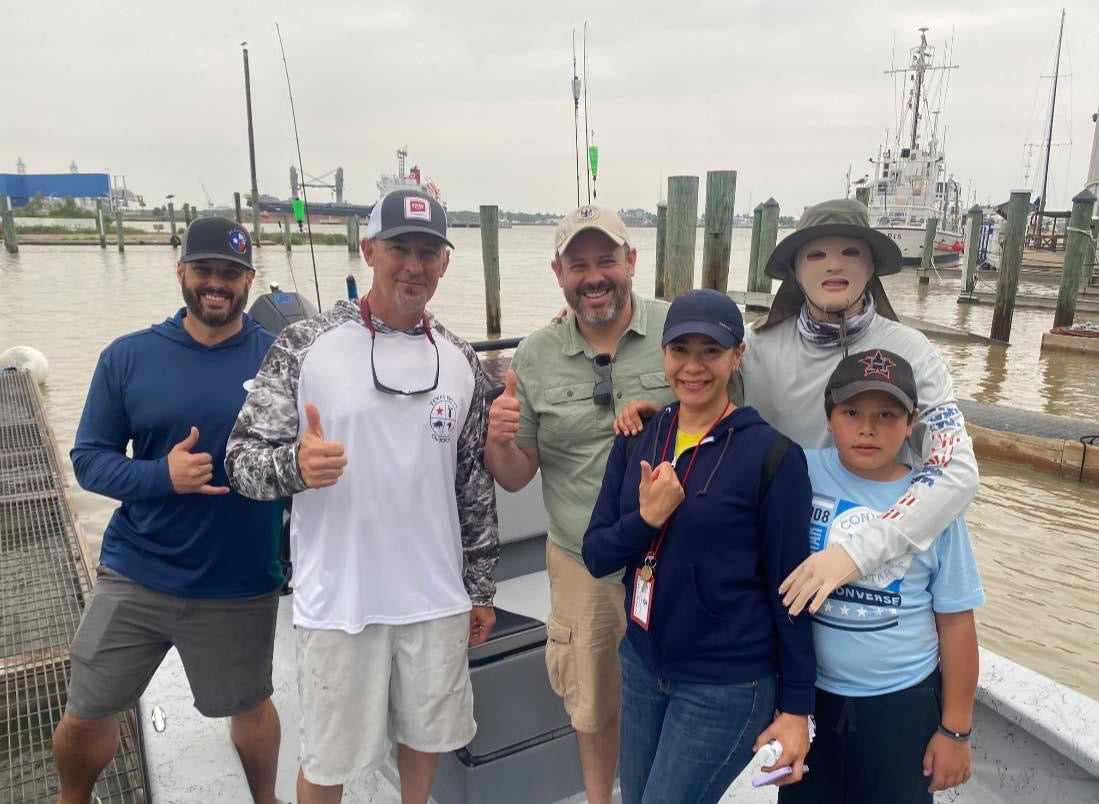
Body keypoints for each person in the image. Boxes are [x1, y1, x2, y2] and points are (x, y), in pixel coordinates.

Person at [224, 189, 499, 804]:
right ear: (368, 249)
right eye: (399, 248)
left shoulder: (458, 359)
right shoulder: (303, 345)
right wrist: (294, 466)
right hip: (340, 601)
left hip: (436, 599)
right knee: (328, 762)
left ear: (446, 263)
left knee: (428, 740)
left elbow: (473, 484)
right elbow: (240, 462)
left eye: (429, 252)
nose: (414, 265)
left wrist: (480, 586)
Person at [617, 199, 979, 616]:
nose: (833, 266)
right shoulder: (754, 346)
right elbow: (698, 380)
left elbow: (955, 471)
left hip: (872, 552)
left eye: (850, 252)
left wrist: (856, 553)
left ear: (872, 266)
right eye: (816, 254)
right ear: (795, 268)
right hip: (771, 543)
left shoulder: (912, 351)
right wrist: (657, 410)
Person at [53, 217, 285, 804]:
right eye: (204, 270)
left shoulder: (282, 361)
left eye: (230, 274)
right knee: (85, 711)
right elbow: (88, 460)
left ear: (248, 280)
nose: (217, 284)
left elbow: (309, 451)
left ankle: (268, 799)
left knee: (250, 706)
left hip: (240, 579)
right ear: (180, 271)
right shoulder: (127, 357)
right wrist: (162, 476)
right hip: (138, 572)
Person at [581, 289, 816, 803]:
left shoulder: (773, 457)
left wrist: (797, 710)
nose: (693, 366)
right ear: (662, 355)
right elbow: (597, 554)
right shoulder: (638, 436)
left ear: (737, 356)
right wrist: (645, 519)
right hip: (643, 666)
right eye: (679, 349)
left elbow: (791, 592)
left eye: (710, 350)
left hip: (727, 683)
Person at [484, 205, 678, 804]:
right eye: (578, 265)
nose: (594, 277)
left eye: (606, 260)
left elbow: (729, 418)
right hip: (583, 561)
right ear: (558, 273)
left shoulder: (678, 331)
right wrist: (497, 436)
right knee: (592, 702)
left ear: (632, 262)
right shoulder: (536, 356)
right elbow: (515, 477)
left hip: (675, 555)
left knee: (680, 690)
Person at [780, 349, 984, 803]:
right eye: (852, 412)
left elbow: (955, 623)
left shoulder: (934, 505)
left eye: (887, 415)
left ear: (912, 422)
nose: (868, 428)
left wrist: (956, 731)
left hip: (902, 705)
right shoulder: (797, 471)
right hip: (810, 699)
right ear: (829, 416)